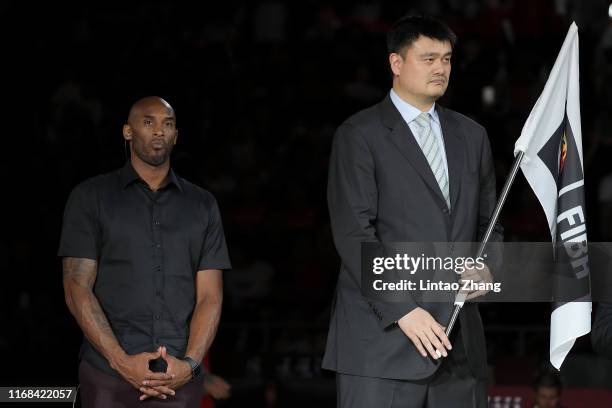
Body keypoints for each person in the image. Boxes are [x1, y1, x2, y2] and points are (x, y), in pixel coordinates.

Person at [323, 15, 503, 407]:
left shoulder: (472, 136)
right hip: (381, 347)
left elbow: (490, 225)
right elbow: (354, 234)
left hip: (458, 348)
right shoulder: (359, 135)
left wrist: (487, 267)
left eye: (447, 59)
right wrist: (403, 311)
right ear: (396, 63)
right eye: (428, 58)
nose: (441, 68)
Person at [60, 96, 231, 407]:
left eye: (167, 124)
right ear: (127, 132)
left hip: (178, 377)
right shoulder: (91, 197)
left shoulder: (202, 205)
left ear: (176, 136)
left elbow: (211, 296)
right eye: (148, 122)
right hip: (107, 376)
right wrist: (121, 361)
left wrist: (190, 366)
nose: (158, 131)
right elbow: (76, 286)